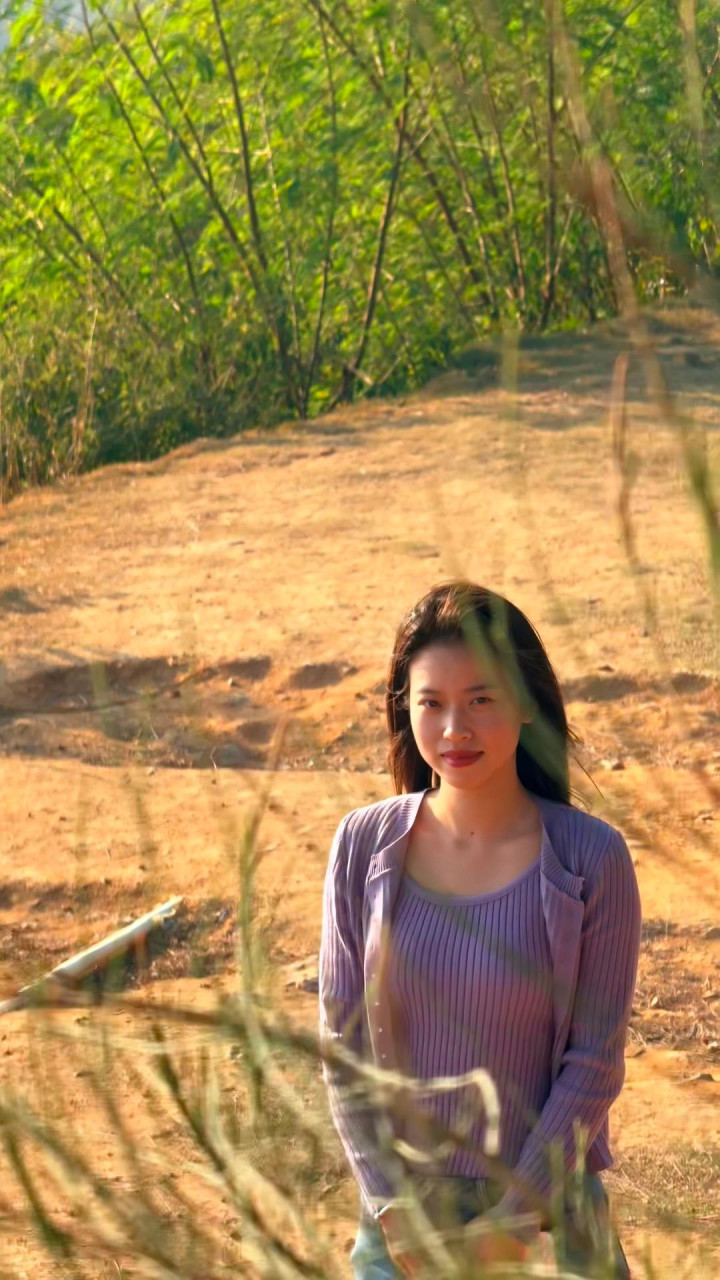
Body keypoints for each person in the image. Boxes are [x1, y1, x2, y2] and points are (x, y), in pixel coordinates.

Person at [318, 580, 641, 1278]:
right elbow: (343, 1049)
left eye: (481, 700)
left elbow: (594, 1063)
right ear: (405, 710)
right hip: (405, 1220)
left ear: (526, 702)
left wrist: (516, 1219)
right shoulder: (361, 846)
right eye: (431, 703)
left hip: (551, 1215)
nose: (454, 730)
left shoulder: (591, 858)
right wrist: (392, 1210)